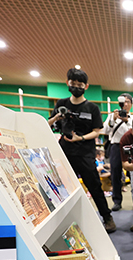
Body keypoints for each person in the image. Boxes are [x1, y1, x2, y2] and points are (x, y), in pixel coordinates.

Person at [47, 68, 116, 233]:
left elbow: (97, 131)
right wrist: (56, 117)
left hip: (85, 153)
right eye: (73, 84)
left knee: (95, 187)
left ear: (86, 86)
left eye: (80, 85)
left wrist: (82, 138)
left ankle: (107, 217)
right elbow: (48, 124)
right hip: (64, 153)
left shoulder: (92, 108)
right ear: (67, 83)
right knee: (62, 188)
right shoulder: (61, 104)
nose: (76, 87)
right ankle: (63, 221)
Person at [103, 93, 133, 211]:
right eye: (123, 101)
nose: (125, 104)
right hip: (115, 146)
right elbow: (105, 130)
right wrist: (113, 119)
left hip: (130, 146)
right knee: (115, 174)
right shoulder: (112, 115)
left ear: (131, 104)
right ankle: (117, 201)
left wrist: (126, 121)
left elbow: (132, 133)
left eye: (128, 102)